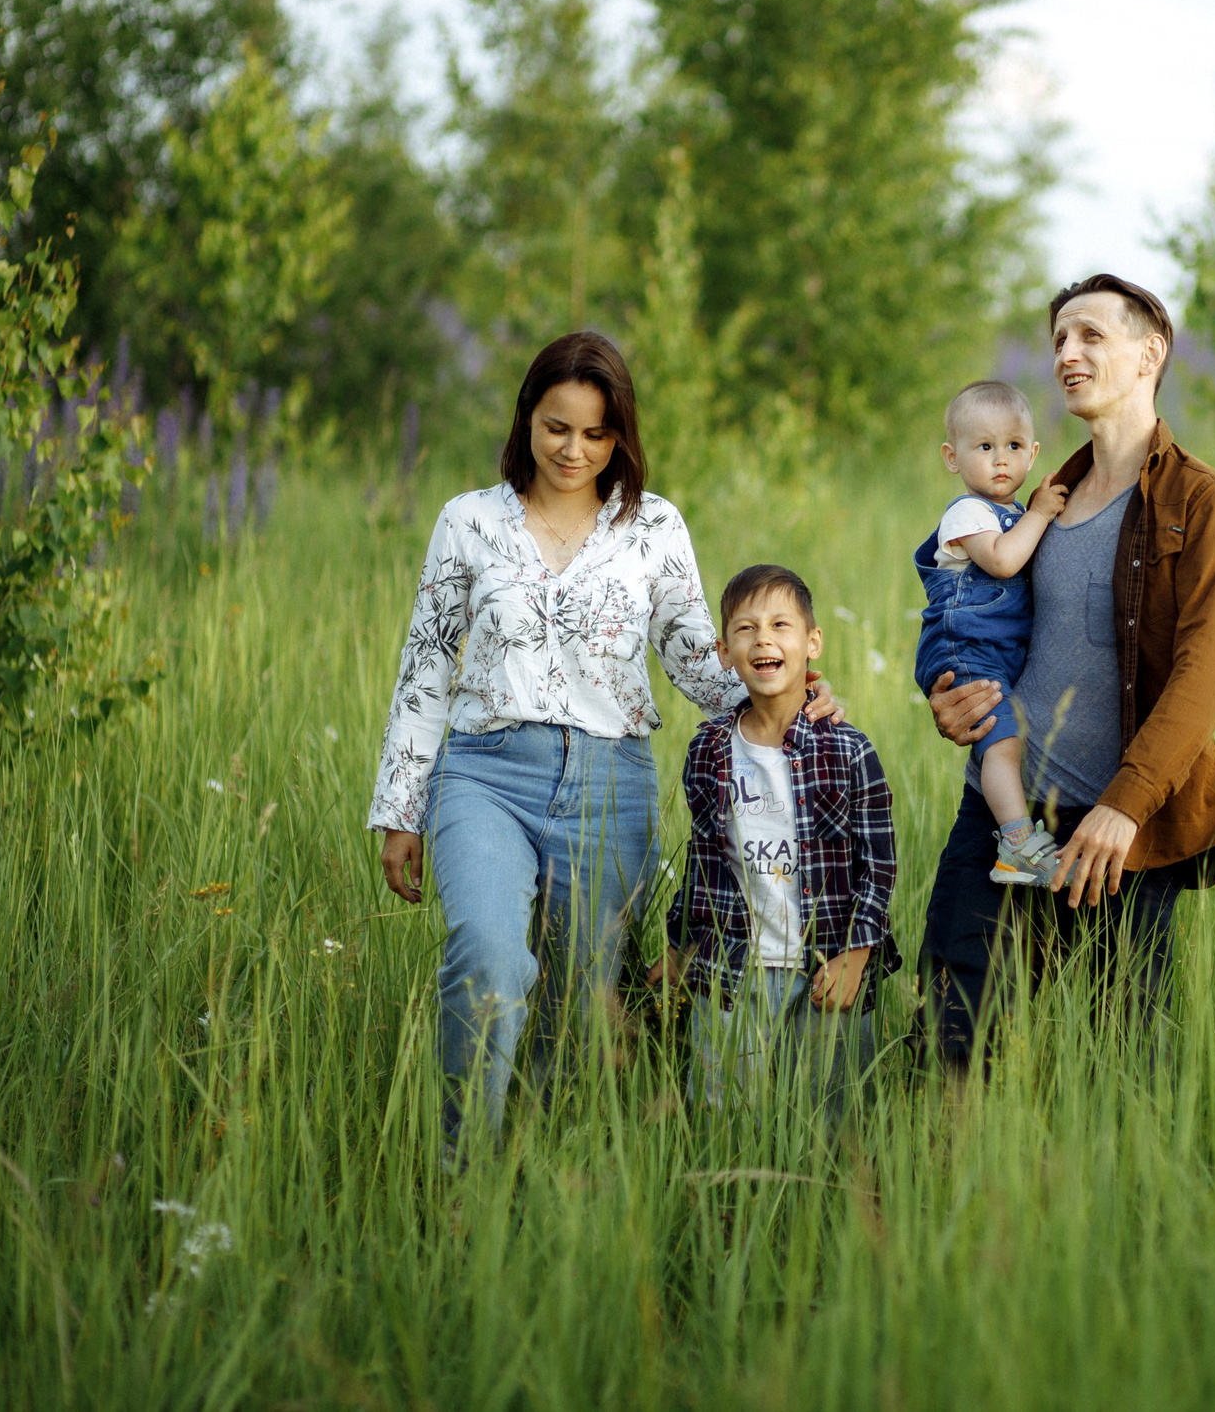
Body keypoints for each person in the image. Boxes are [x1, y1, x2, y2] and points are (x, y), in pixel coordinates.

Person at [368, 332, 837, 1163]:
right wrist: (399, 807)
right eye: (556, 427)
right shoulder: (468, 521)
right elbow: (427, 664)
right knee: (488, 955)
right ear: (527, 420)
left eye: (595, 432)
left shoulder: (652, 525)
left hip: (608, 784)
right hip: (485, 776)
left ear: (619, 434)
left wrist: (792, 701)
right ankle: (459, 1171)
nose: (574, 449)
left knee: (574, 1015)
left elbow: (697, 654)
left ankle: (538, 1171)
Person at [920, 274, 1215, 1074]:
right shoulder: (1039, 500)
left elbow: (1202, 680)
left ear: (1150, 352)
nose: (1067, 353)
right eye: (1059, 339)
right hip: (1004, 818)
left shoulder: (1202, 501)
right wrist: (944, 692)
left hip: (1118, 835)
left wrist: (1125, 807)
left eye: (1091, 335)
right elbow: (965, 617)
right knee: (953, 1042)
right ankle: (934, 1191)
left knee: (1121, 1064)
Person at [659, 564, 898, 1113]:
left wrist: (857, 958)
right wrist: (680, 949)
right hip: (731, 971)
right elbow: (703, 865)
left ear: (812, 641)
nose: (763, 638)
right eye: (746, 629)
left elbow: (878, 866)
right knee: (723, 1117)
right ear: (724, 651)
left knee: (829, 1118)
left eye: (780, 625)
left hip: (827, 967)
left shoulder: (847, 749)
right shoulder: (710, 751)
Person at [911, 380, 1070, 888]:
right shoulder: (968, 513)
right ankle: (1017, 842)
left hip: (992, 647)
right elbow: (1002, 562)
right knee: (1001, 739)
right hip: (965, 646)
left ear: (1033, 453)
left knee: (1008, 736)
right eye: (984, 447)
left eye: (1014, 447)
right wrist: (1043, 513)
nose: (1001, 460)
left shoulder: (1014, 514)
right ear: (952, 457)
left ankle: (1017, 835)